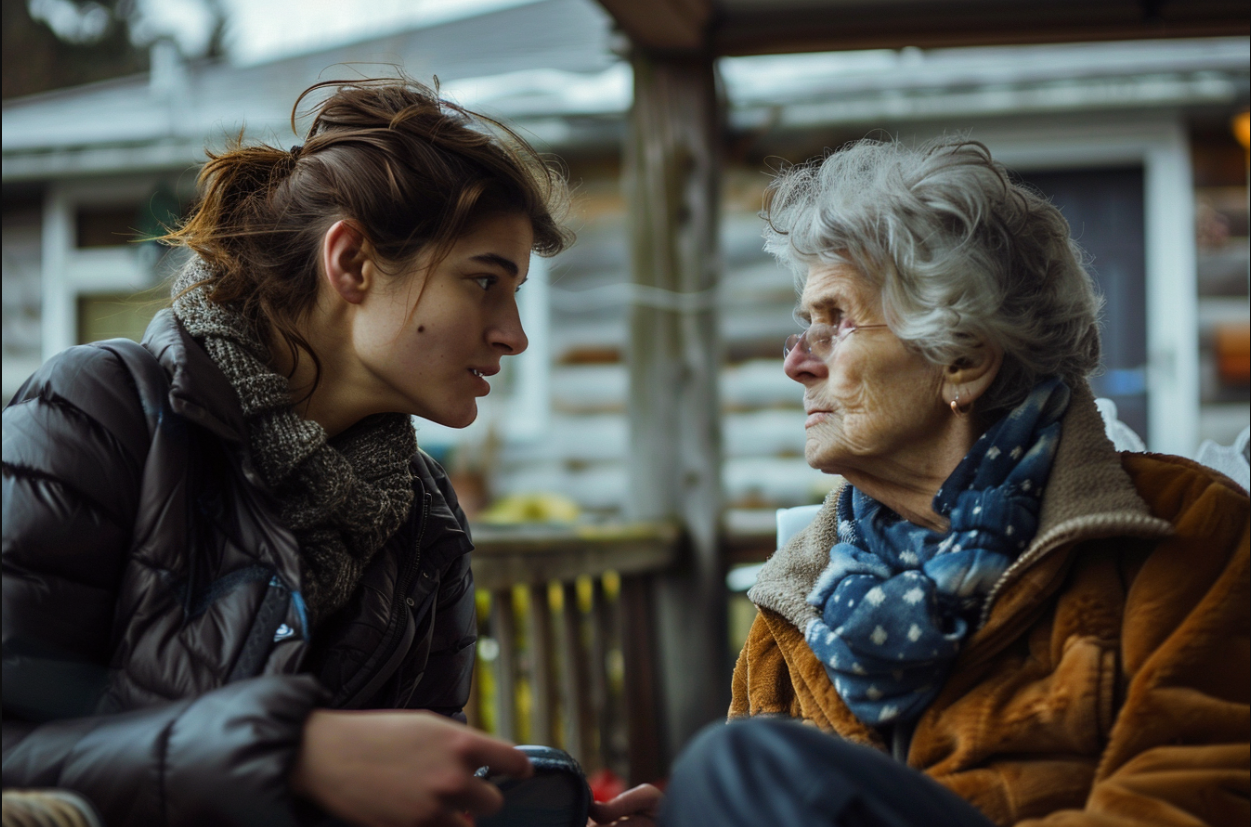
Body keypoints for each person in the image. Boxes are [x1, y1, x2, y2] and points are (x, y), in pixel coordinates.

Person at [2, 76, 577, 827]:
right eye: (483, 282)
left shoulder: (425, 520)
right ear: (352, 263)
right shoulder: (99, 411)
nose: (514, 334)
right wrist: (282, 752)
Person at [658, 138, 1249, 826]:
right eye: (802, 326)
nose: (796, 364)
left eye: (835, 323)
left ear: (963, 359)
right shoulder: (794, 598)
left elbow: (1184, 798)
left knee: (735, 764)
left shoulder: (1184, 531)